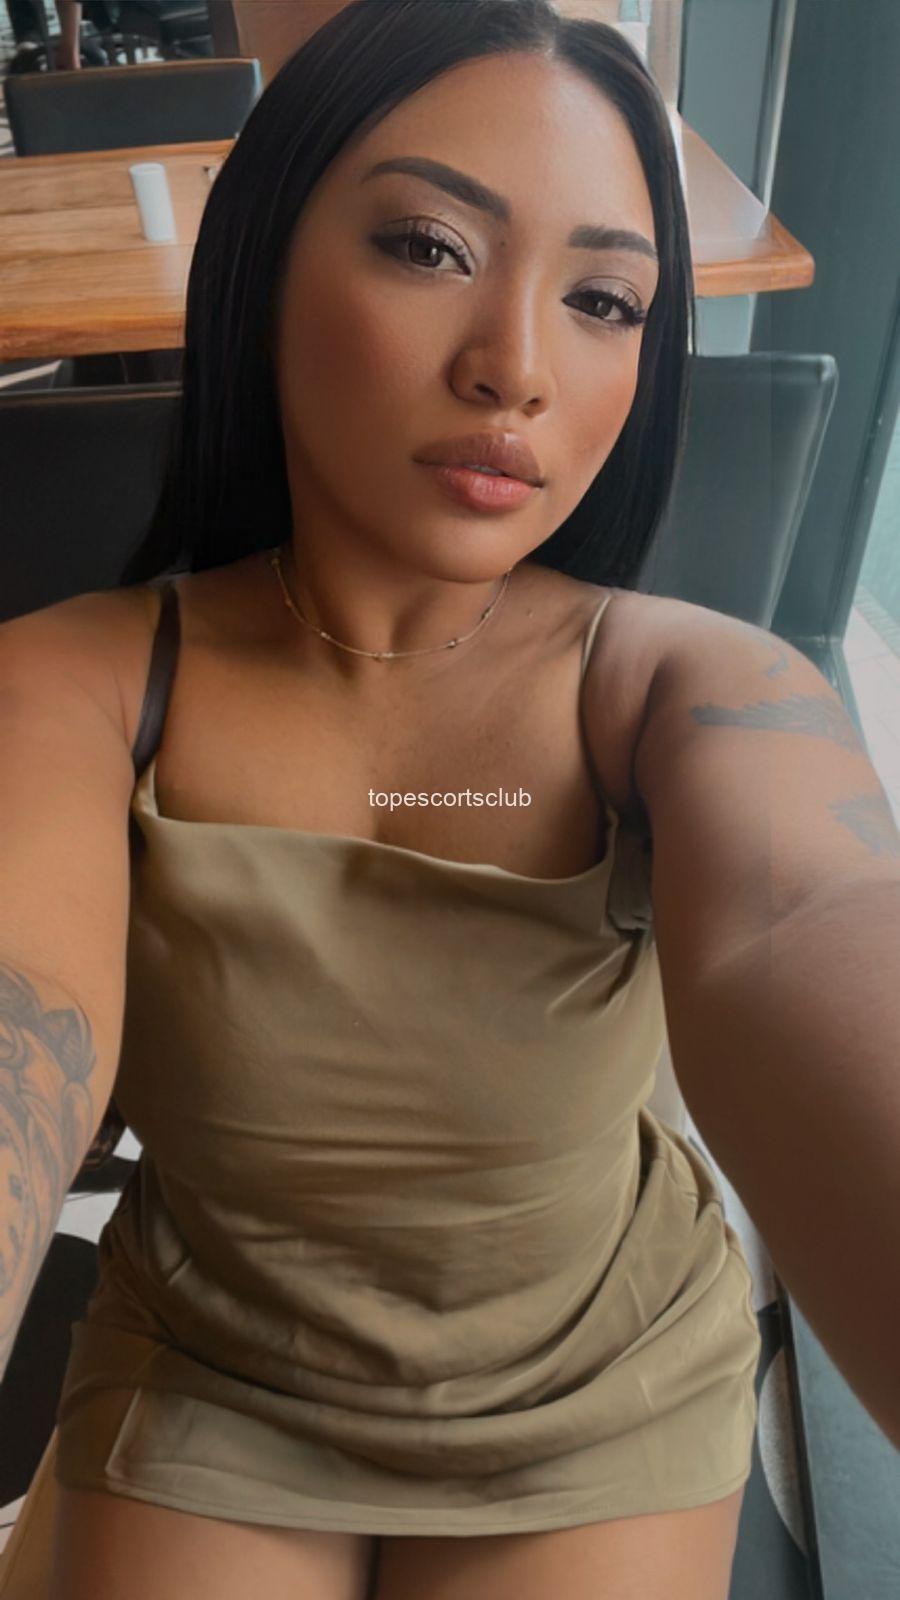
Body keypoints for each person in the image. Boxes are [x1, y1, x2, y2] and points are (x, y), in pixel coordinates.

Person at [0, 1, 897, 1596]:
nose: (517, 369)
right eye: (427, 248)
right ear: (266, 259)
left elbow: (808, 922)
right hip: (214, 1366)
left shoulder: (689, 690)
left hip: (599, 1376)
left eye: (606, 299)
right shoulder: (74, 686)